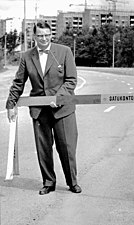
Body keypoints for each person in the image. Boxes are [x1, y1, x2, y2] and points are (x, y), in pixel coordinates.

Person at [6, 21, 82, 195]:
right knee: (43, 149)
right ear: (34, 37)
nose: (44, 39)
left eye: (47, 35)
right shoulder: (26, 56)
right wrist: (11, 104)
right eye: (40, 35)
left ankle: (72, 182)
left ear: (51, 35)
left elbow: (71, 80)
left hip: (63, 109)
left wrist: (59, 97)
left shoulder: (64, 52)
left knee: (67, 147)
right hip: (39, 111)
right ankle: (48, 182)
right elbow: (19, 82)